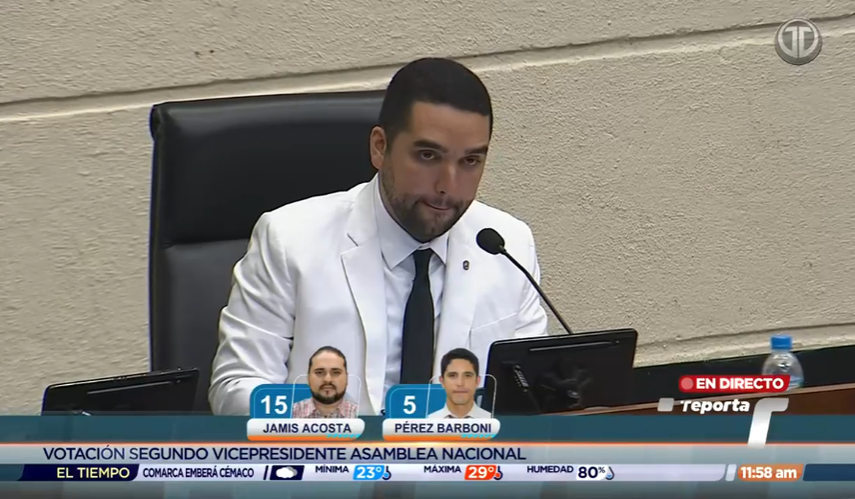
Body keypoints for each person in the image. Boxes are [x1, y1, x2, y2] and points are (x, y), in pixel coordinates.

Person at [209, 57, 548, 416]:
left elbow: (526, 399)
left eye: (470, 161)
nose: (448, 186)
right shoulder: (289, 240)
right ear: (380, 147)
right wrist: (333, 424)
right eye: (428, 156)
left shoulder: (508, 246)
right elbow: (235, 388)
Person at [290, 346, 358, 419]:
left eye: (336, 372)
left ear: (346, 377)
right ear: (308, 377)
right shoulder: (289, 414)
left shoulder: (360, 415)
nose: (327, 379)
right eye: (319, 372)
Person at [428, 348, 491, 419]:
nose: (460, 383)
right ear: (442, 381)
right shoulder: (427, 423)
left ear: (477, 381)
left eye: (467, 376)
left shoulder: (494, 422)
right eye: (452, 375)